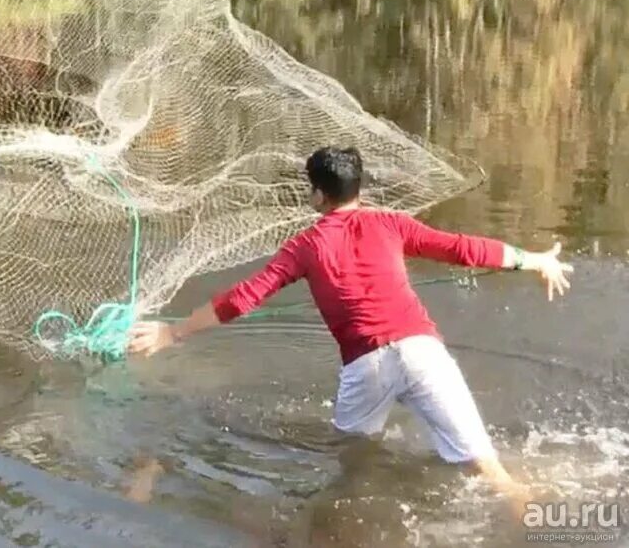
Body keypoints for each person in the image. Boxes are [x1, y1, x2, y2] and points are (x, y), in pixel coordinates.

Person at [126, 146, 573, 500]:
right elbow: (464, 249)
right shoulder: (394, 224)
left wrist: (171, 332)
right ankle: (532, 519)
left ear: (319, 194)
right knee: (492, 472)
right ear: (358, 188)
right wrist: (534, 260)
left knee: (350, 459)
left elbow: (242, 298)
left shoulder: (305, 246)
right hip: (423, 352)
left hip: (367, 368)